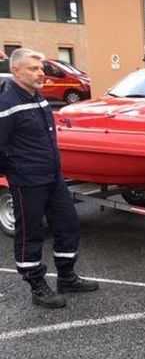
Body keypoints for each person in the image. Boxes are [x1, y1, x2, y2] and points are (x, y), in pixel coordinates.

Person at [0, 48, 98, 309]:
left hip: (53, 177)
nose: (41, 73)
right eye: (34, 68)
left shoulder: (39, 97)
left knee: (69, 225)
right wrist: (14, 171)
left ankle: (66, 277)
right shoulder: (7, 104)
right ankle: (37, 286)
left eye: (41, 68)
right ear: (16, 71)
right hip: (27, 181)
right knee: (30, 234)